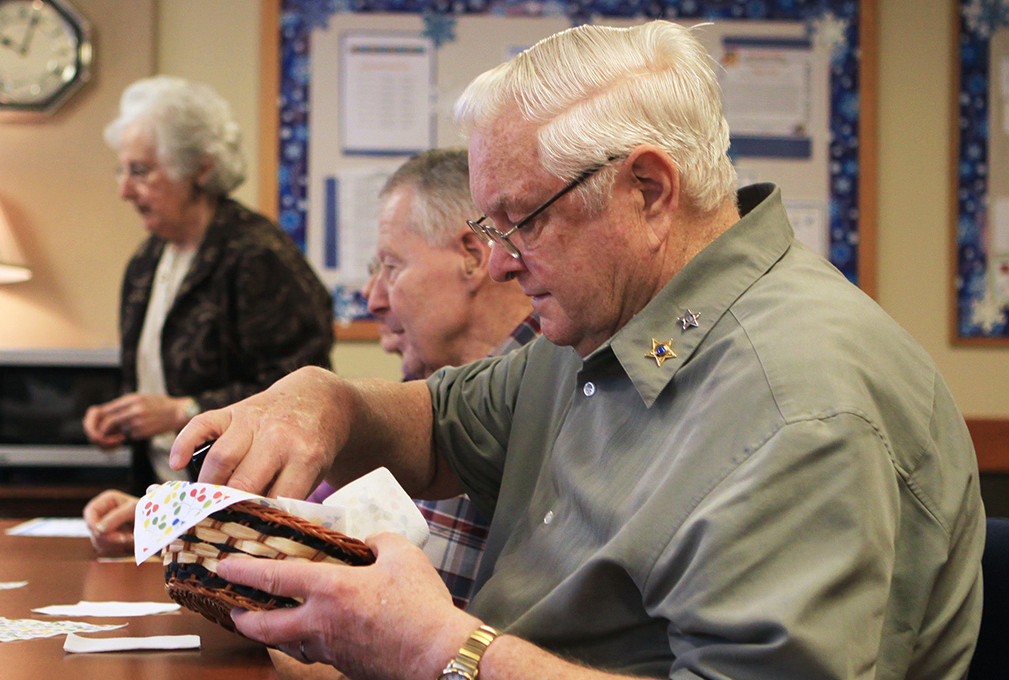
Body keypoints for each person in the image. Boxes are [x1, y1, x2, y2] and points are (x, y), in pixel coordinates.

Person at [171, 21, 985, 680]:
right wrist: (322, 398)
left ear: (649, 191)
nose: (498, 259)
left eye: (521, 219)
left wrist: (436, 649)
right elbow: (442, 424)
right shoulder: (613, 317)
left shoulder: (799, 406)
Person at [83, 76, 333, 555]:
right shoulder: (146, 261)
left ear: (198, 168)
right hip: (165, 503)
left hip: (245, 520)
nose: (123, 190)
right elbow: (155, 378)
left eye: (140, 171)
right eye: (122, 171)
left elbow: (303, 391)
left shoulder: (258, 255)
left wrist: (183, 411)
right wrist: (123, 416)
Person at [324, 148, 538, 609]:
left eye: (392, 266)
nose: (373, 298)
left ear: (472, 257)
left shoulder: (543, 393)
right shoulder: (442, 394)